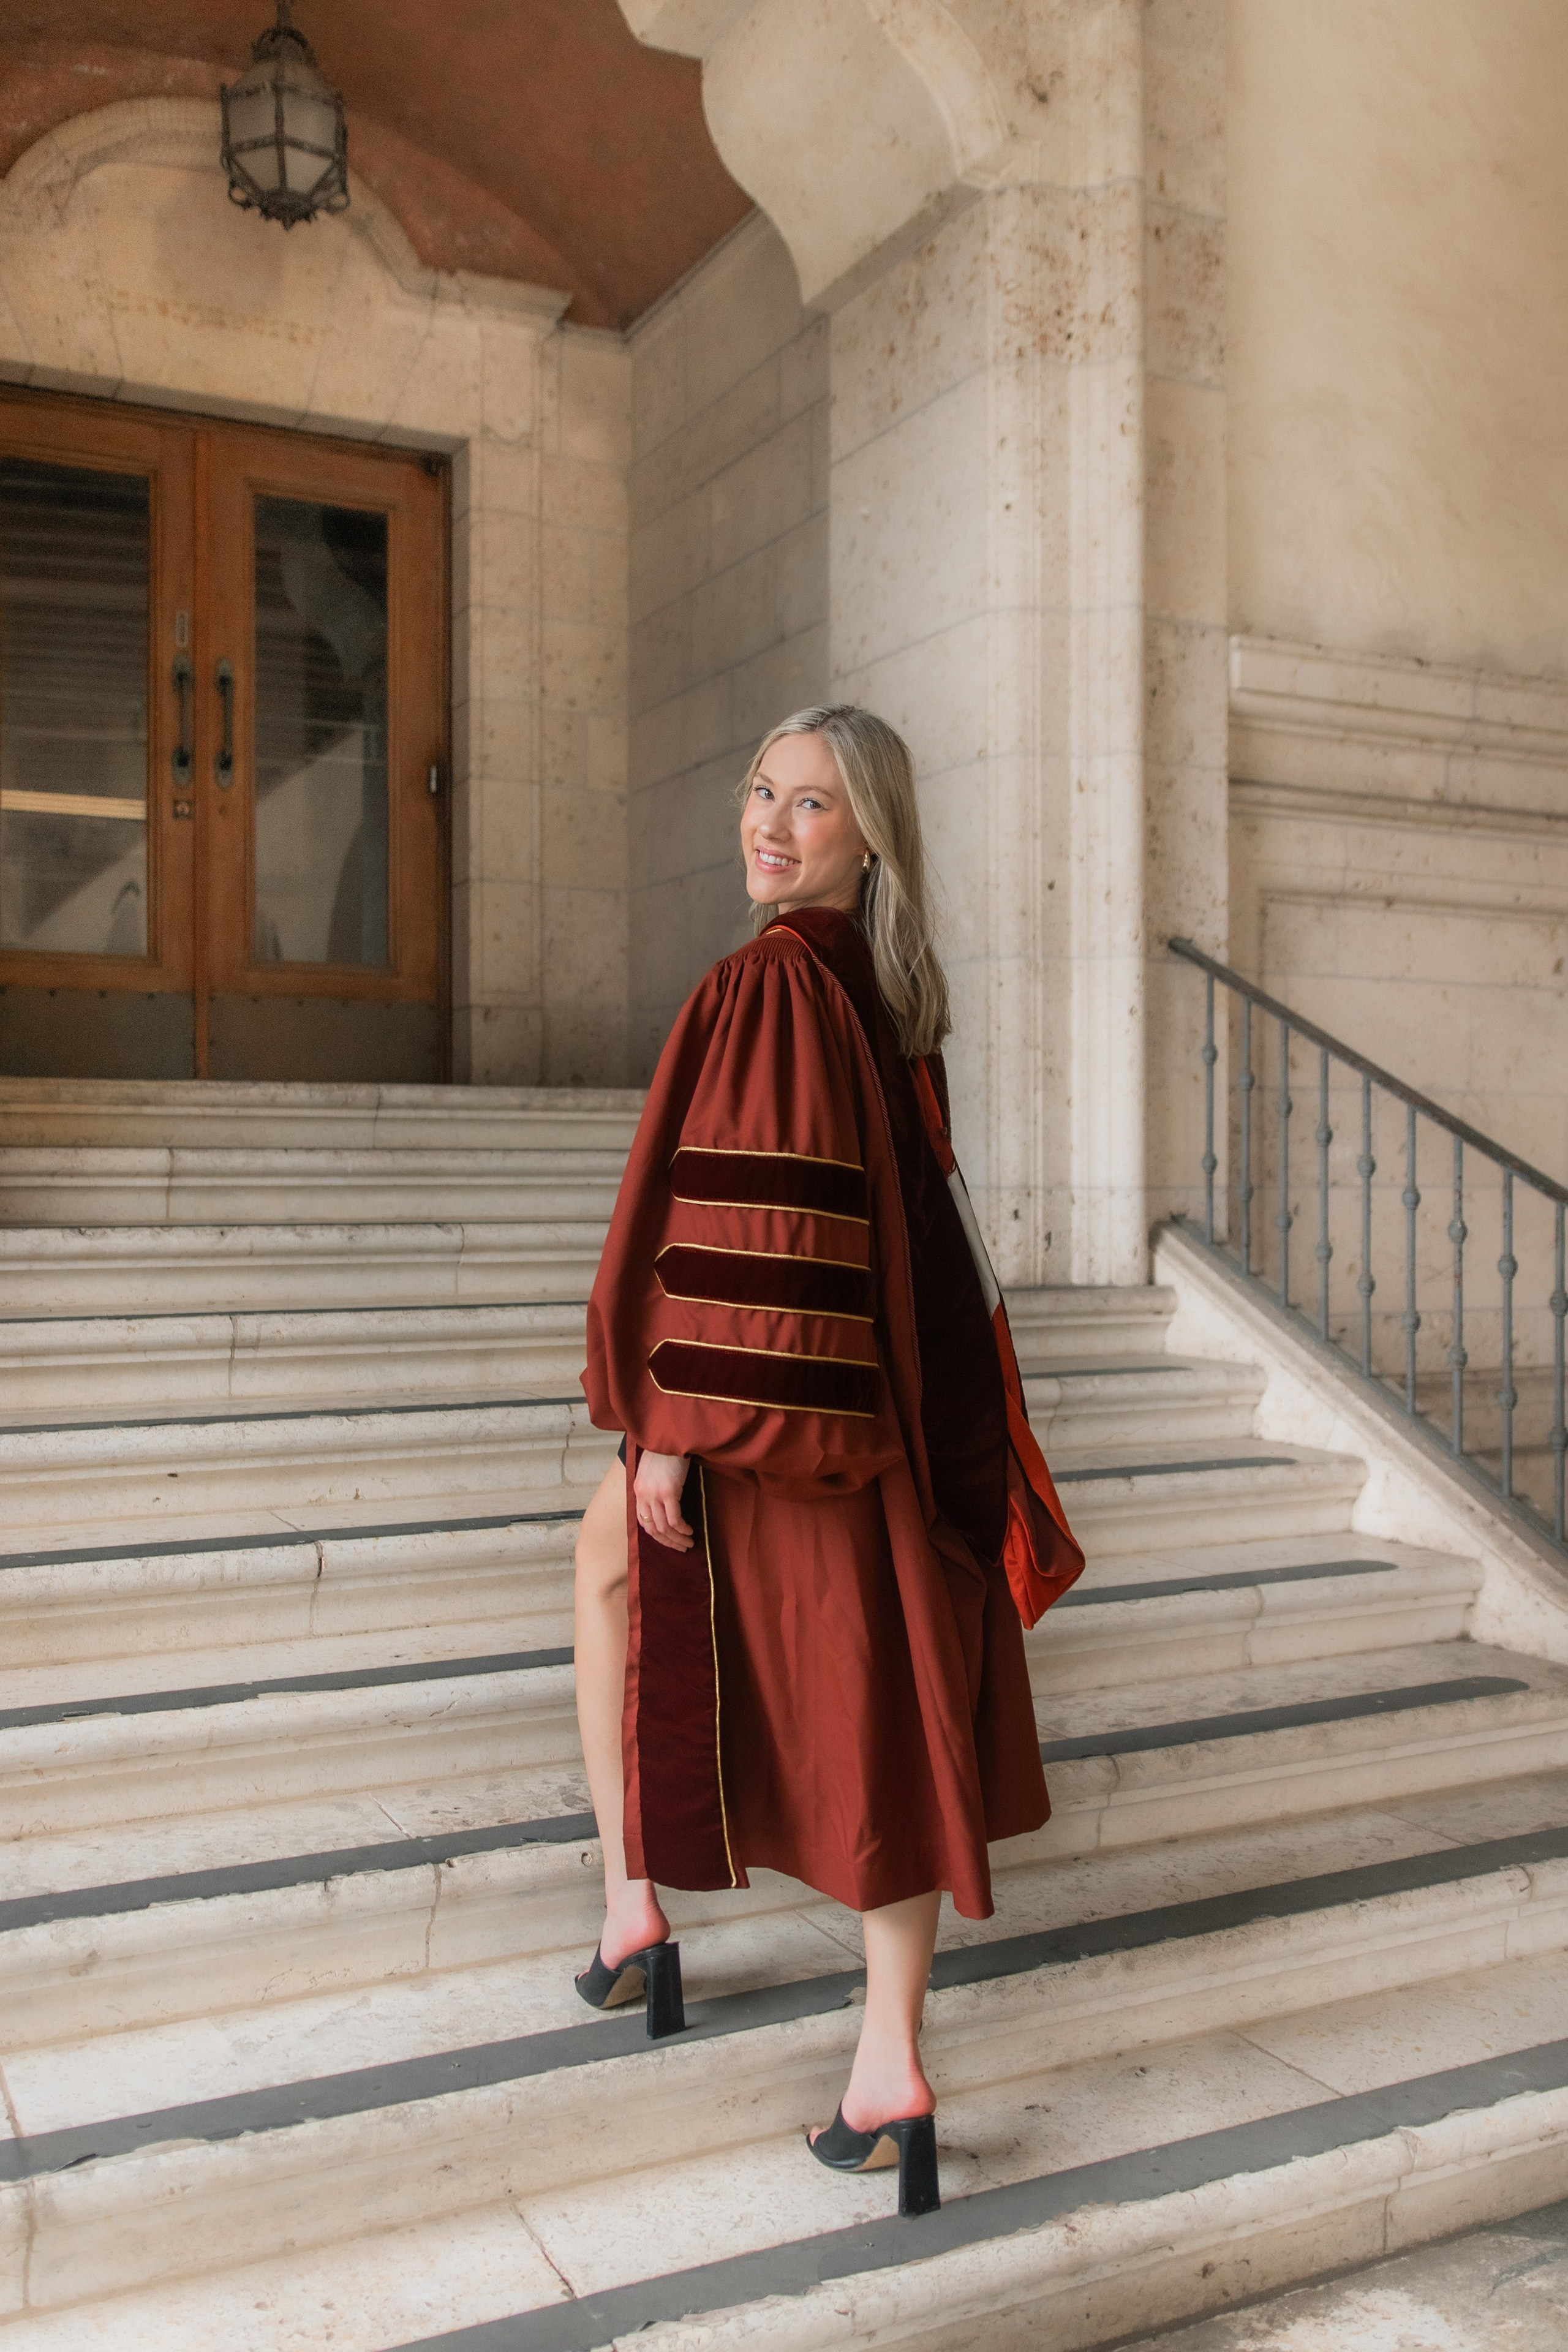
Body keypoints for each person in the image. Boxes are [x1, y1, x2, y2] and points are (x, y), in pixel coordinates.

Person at [574, 704, 1082, 2217]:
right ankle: (884, 2062)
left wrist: (672, 1423)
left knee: (610, 1581)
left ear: (869, 836)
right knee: (889, 1704)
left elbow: (760, 1229)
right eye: (759, 793)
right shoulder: (880, 993)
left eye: (811, 805)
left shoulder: (770, 983)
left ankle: (629, 1909)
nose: (770, 825)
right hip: (892, 1415)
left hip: (776, 1409)